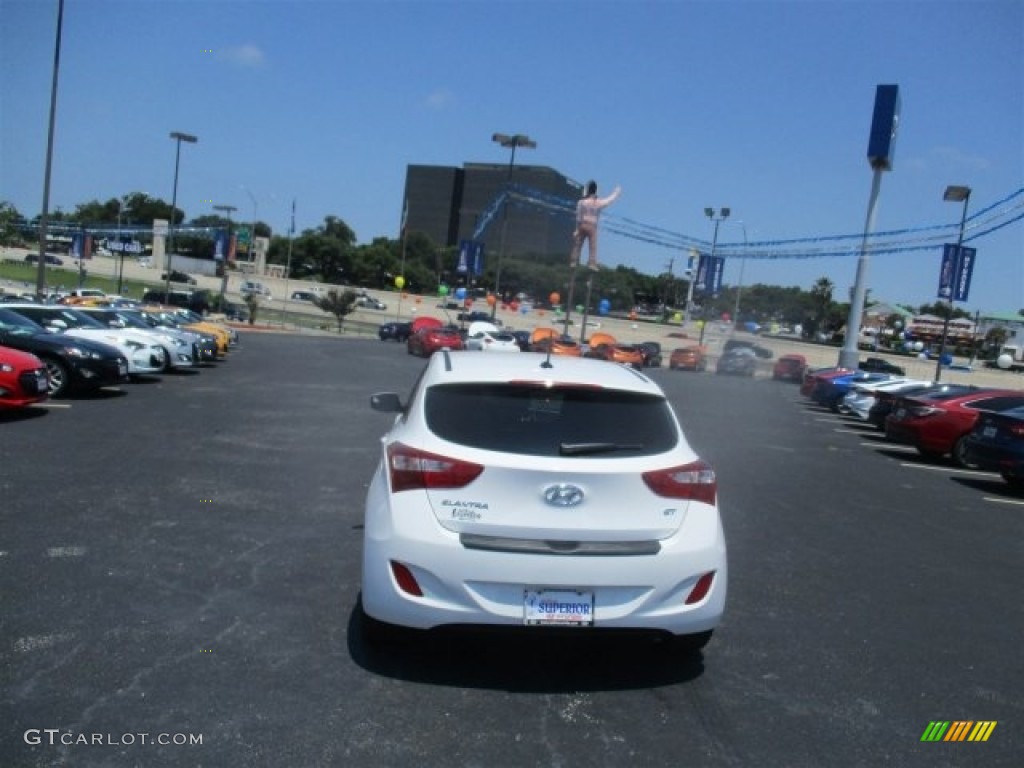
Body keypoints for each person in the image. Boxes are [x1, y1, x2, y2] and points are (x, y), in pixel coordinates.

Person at [571, 180, 621, 271]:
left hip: (582, 224)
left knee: (578, 245)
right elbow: (609, 200)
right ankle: (591, 263)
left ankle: (574, 261)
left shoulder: (581, 202)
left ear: (588, 190)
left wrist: (577, 229)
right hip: (593, 226)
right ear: (596, 191)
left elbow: (578, 216)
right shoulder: (599, 202)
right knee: (593, 247)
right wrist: (616, 193)